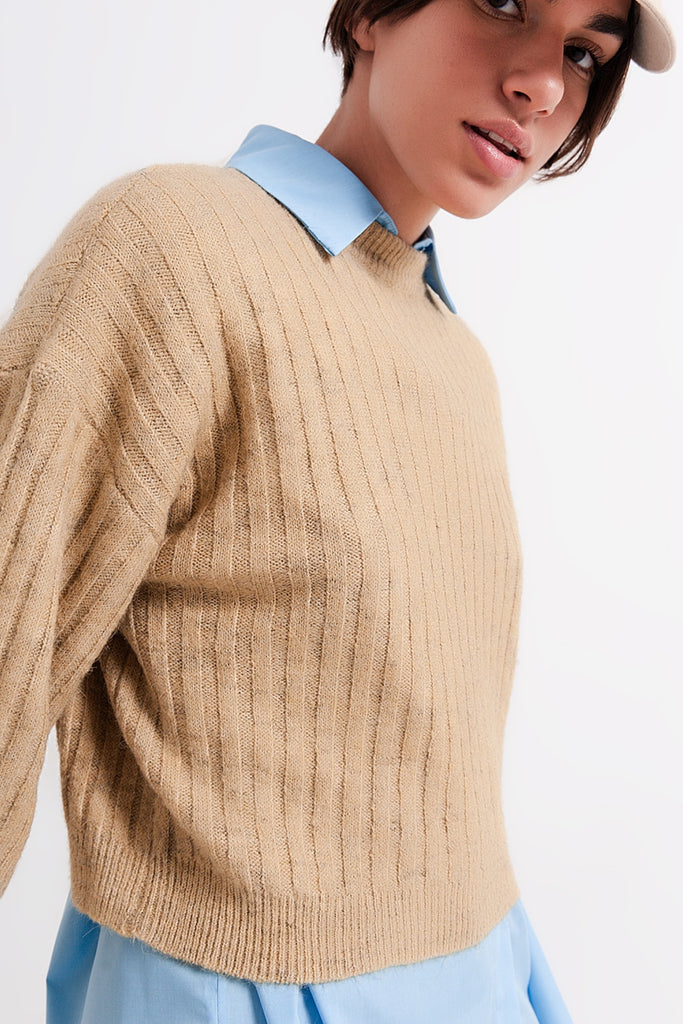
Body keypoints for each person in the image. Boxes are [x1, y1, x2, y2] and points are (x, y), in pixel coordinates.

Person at [0, 1, 675, 1022]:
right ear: (369, 14)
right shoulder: (168, 247)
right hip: (234, 981)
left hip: (486, 963)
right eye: (503, 3)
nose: (543, 84)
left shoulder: (454, 353)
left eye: (584, 53)